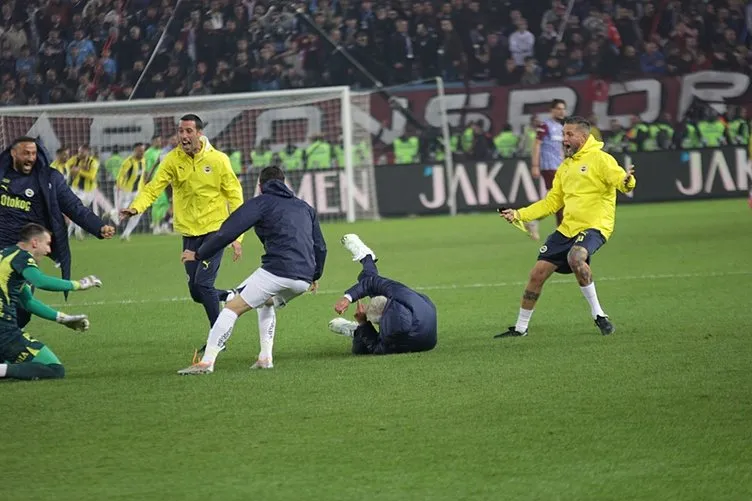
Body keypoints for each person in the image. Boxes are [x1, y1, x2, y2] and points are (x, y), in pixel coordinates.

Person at [177, 166, 327, 374]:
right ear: (284, 183)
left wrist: (199, 254)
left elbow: (227, 232)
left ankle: (206, 363)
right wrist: (315, 275)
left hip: (277, 270)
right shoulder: (305, 207)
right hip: (303, 279)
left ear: (260, 186)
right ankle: (265, 358)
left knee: (231, 307)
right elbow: (320, 246)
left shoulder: (261, 203)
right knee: (266, 302)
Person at [497, 116, 636, 337]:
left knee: (576, 257)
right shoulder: (565, 167)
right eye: (563, 134)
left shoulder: (601, 159)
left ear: (584, 136)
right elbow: (552, 202)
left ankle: (599, 316)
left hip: (595, 226)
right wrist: (519, 214)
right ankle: (520, 328)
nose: (564, 139)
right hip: (567, 229)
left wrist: (627, 181)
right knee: (537, 274)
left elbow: (620, 179)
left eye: (569, 134)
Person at [120, 114, 244, 329]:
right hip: (189, 233)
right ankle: (231, 296)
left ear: (199, 133)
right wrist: (135, 207)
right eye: (180, 131)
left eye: (188, 131)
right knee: (197, 293)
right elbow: (153, 187)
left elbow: (235, 196)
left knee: (204, 285)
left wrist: (237, 236)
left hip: (215, 230)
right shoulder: (171, 160)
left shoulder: (218, 160)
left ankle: (218, 337)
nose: (183, 136)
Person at [0, 137, 115, 328]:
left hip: (25, 251)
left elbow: (73, 206)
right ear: (13, 153)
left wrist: (98, 226)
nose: (30, 158)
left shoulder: (49, 178)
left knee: (22, 309)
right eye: (25, 153)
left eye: (34, 153)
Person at [0, 224, 102, 381]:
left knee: (11, 361)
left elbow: (28, 302)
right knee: (54, 369)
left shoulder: (6, 254)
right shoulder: (22, 257)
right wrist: (78, 285)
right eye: (47, 244)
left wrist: (63, 318)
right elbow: (40, 281)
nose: (48, 251)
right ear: (35, 242)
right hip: (4, 331)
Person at [329, 234, 438, 355]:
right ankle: (366, 257)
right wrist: (348, 298)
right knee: (368, 279)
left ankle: (356, 330)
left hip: (416, 331)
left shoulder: (389, 333)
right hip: (426, 322)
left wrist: (363, 323)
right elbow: (371, 282)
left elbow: (373, 348)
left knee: (361, 347)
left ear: (382, 320)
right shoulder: (398, 293)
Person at [526, 99, 568, 240]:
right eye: (559, 109)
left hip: (559, 166)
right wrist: (535, 165)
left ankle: (534, 219)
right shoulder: (545, 126)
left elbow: (560, 149)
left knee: (557, 199)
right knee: (560, 198)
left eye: (563, 109)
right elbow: (537, 144)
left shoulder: (561, 127)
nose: (562, 111)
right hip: (549, 166)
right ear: (552, 110)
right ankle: (561, 231)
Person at [65, 144, 100, 240]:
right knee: (76, 209)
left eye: (82, 152)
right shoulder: (74, 159)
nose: (79, 154)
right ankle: (77, 230)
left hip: (88, 191)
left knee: (78, 211)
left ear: (87, 152)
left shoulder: (93, 162)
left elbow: (92, 176)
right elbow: (67, 166)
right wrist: (71, 170)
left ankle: (70, 232)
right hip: (75, 189)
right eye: (79, 151)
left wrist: (79, 170)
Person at [115, 143, 147, 241]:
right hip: (126, 192)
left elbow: (142, 175)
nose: (141, 153)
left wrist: (143, 187)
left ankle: (126, 233)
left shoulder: (143, 161)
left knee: (138, 212)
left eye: (142, 151)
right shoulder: (128, 162)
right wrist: (119, 185)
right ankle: (110, 219)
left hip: (137, 192)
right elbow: (121, 175)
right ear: (134, 151)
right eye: (139, 151)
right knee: (120, 212)